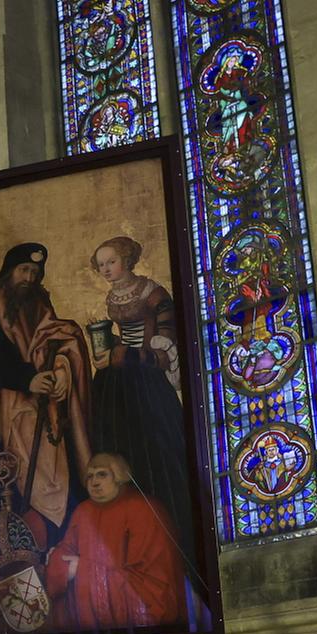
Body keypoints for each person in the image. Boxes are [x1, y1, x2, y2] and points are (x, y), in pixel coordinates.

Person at [0, 242, 93, 550]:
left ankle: (57, 537)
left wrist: (62, 370)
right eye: (24, 270)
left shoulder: (38, 301)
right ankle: (31, 542)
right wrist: (29, 380)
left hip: (43, 397)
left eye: (36, 272)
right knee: (18, 471)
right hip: (6, 402)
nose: (29, 277)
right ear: (10, 270)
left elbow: (55, 337)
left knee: (55, 462)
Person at [85, 235, 193, 549]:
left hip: (147, 383)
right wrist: (109, 349)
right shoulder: (113, 297)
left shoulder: (155, 294)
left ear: (128, 260)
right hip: (117, 383)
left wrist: (125, 355)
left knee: (156, 454)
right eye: (101, 264)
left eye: (111, 262)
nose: (106, 269)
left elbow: (164, 353)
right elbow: (121, 341)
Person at [44, 453, 186, 631]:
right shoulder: (83, 512)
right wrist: (60, 563)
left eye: (102, 474)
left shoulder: (143, 509)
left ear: (119, 477)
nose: (94, 482)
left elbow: (148, 584)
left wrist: (81, 569)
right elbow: (64, 552)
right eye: (90, 476)